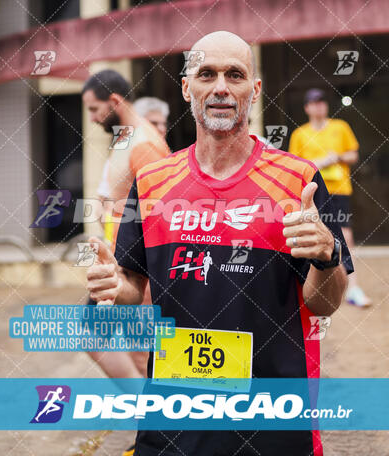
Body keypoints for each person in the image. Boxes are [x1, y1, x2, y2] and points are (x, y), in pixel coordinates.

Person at [87, 31, 353, 456]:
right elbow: (133, 288)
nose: (221, 87)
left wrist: (326, 256)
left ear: (255, 89)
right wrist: (112, 286)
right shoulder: (154, 182)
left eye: (236, 74)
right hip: (175, 422)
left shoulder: (297, 180)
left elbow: (325, 304)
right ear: (186, 86)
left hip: (271, 420)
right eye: (206, 74)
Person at [81, 70, 170, 379]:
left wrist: (145, 282)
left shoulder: (144, 144)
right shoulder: (125, 136)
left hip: (136, 270)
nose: (92, 118)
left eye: (94, 109)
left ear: (114, 101)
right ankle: (144, 413)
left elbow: (160, 215)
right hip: (118, 262)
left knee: (140, 352)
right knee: (94, 336)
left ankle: (151, 416)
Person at [289, 88, 371, 308]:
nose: (319, 105)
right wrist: (318, 163)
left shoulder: (340, 127)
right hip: (313, 193)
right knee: (312, 236)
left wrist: (338, 157)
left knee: (345, 237)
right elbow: (295, 166)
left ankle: (352, 288)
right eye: (314, 102)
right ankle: (314, 288)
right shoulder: (300, 134)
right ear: (307, 107)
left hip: (339, 190)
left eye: (322, 101)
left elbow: (353, 154)